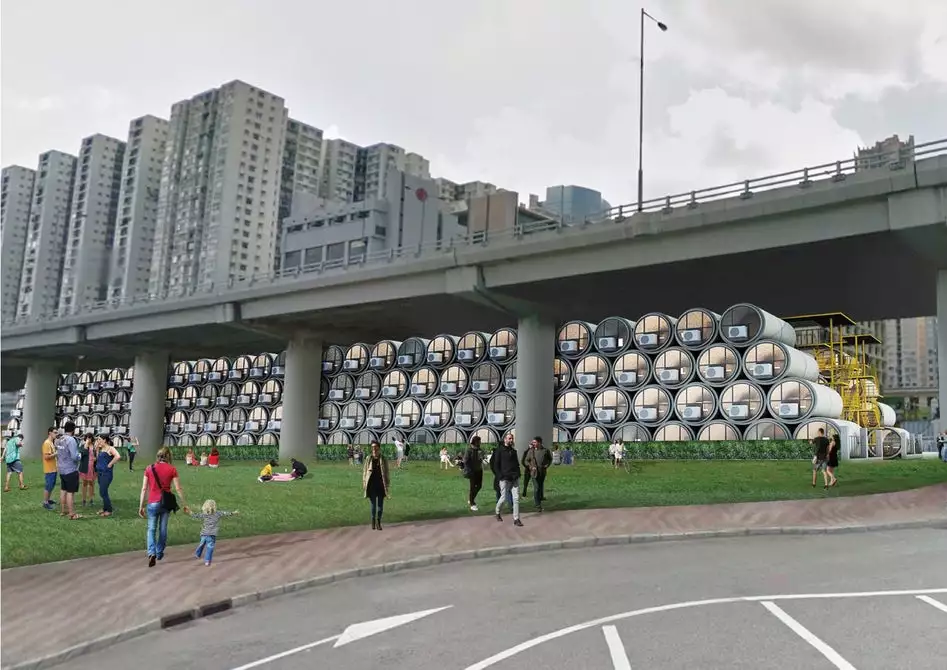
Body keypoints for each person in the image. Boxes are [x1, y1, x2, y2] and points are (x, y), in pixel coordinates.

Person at [139, 446, 190, 567]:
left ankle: (151, 553)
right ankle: (159, 551)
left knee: (151, 529)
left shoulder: (149, 468)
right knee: (163, 529)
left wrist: (141, 506)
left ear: (158, 456)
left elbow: (144, 488)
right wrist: (185, 504)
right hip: (165, 503)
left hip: (152, 502)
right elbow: (178, 488)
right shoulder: (172, 469)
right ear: (168, 457)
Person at [191, 499, 239, 567]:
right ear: (214, 506)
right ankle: (207, 561)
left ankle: (197, 554)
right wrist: (234, 513)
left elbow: (196, 515)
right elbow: (226, 513)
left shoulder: (204, 514)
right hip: (212, 535)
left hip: (204, 534)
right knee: (210, 548)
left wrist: (189, 512)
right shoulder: (218, 513)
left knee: (202, 544)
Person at [492, 432, 523, 527]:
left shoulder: (514, 451)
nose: (511, 440)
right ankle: (497, 512)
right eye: (509, 438)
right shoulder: (499, 451)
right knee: (504, 498)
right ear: (505, 439)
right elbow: (495, 465)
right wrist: (500, 476)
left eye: (512, 438)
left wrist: (518, 473)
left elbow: (517, 464)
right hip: (504, 478)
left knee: (516, 498)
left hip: (514, 478)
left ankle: (516, 519)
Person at [56, 422, 82, 519]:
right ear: (73, 430)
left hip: (61, 469)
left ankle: (63, 511)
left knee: (63, 490)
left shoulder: (59, 439)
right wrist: (80, 455)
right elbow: (74, 456)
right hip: (70, 469)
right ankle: (72, 514)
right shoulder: (71, 440)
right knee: (70, 492)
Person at [363, 440, 390, 530]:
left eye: (375, 447)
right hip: (371, 485)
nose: (374, 449)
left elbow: (386, 472)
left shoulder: (383, 458)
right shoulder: (368, 458)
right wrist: (364, 482)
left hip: (381, 485)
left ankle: (378, 522)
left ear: (379, 448)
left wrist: (387, 483)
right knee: (373, 505)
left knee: (380, 506)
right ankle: (373, 521)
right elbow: (365, 471)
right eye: (372, 447)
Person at [94, 436, 121, 517]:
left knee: (103, 492)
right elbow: (98, 459)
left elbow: (118, 456)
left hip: (106, 474)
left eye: (99, 439)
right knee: (103, 492)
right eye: (97, 439)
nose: (98, 441)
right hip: (99, 473)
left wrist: (110, 464)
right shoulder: (101, 448)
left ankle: (109, 510)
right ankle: (105, 508)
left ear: (104, 440)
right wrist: (97, 449)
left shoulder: (110, 448)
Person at [523, 436, 552, 512]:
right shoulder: (531, 451)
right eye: (533, 442)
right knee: (536, 488)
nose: (533, 443)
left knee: (540, 487)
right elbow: (526, 461)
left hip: (542, 472)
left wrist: (547, 465)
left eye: (535, 442)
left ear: (539, 443)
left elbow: (550, 459)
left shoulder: (545, 451)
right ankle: (537, 504)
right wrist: (531, 466)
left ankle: (539, 499)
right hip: (534, 473)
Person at [463, 436, 484, 511]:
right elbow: (465, 460)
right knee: (472, 487)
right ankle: (472, 503)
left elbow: (481, 458)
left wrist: (482, 458)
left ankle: (471, 498)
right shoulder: (469, 450)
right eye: (479, 441)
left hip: (479, 470)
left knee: (479, 486)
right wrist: (469, 467)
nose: (480, 443)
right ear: (475, 442)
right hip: (472, 471)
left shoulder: (480, 450)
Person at [78, 433, 97, 507]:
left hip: (92, 467)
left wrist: (96, 459)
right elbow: (81, 455)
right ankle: (84, 500)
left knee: (92, 483)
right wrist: (86, 444)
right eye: (87, 438)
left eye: (90, 437)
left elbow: (97, 455)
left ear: (92, 438)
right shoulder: (83, 446)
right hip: (85, 467)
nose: (88, 439)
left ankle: (91, 499)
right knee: (84, 483)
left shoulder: (94, 447)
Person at [41, 427, 58, 509]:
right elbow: (46, 457)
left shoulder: (51, 443)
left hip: (53, 468)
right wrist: (56, 453)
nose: (56, 434)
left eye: (56, 432)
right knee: (49, 485)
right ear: (50, 433)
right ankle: (45, 502)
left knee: (51, 485)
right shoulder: (47, 443)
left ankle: (48, 499)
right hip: (49, 469)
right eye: (55, 432)